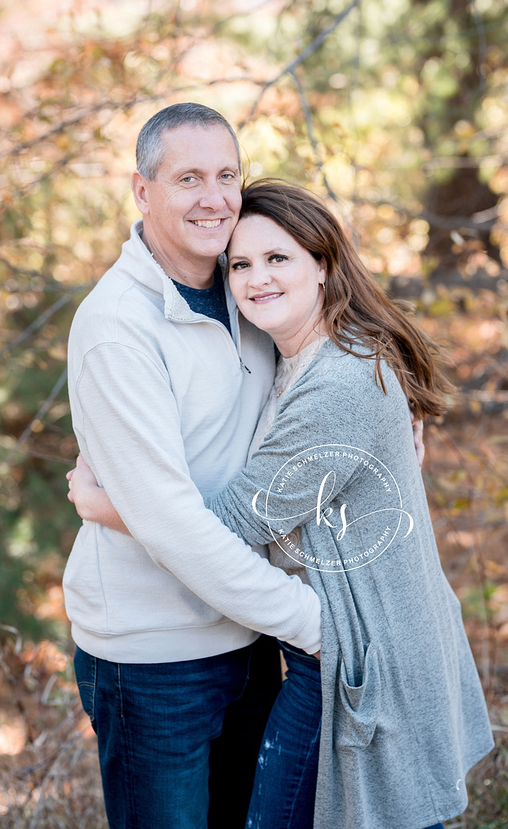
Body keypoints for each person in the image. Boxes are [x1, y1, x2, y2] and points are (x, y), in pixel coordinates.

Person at [68, 179, 494, 829]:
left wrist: (109, 506)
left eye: (277, 259)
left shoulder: (339, 381)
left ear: (322, 267)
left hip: (360, 652)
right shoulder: (283, 354)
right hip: (326, 649)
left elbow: (235, 524)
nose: (255, 278)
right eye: (239, 264)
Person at [63, 103, 329, 829]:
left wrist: (399, 412)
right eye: (188, 178)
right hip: (155, 659)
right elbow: (174, 524)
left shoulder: (249, 288)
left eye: (226, 175)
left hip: (245, 632)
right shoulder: (117, 329)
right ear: (142, 191)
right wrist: (313, 622)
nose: (213, 198)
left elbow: (328, 364)